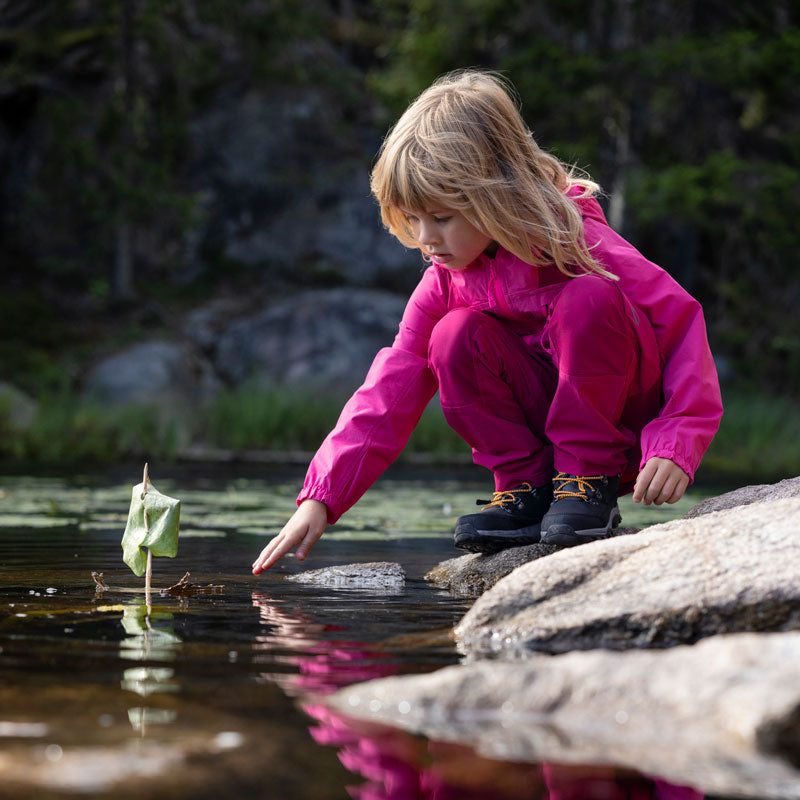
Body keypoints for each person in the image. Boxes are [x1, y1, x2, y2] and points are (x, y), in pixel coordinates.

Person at [252, 69, 722, 573]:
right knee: (452, 334)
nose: (426, 238)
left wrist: (675, 443)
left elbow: (679, 322)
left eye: (443, 217)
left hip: (616, 437)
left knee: (588, 298)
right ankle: (525, 490)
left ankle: (587, 487)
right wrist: (321, 497)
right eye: (413, 219)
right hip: (540, 449)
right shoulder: (445, 280)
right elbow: (387, 390)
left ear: (495, 194)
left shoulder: (579, 243)